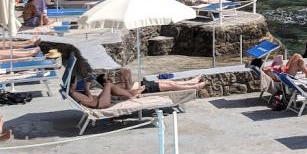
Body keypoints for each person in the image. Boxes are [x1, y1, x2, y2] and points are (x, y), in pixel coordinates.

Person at [69, 67, 206, 109]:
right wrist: (87, 88)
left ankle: (191, 82)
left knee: (169, 83)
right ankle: (194, 85)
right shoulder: (74, 93)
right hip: (143, 89)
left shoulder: (112, 86)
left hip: (139, 86)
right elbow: (87, 100)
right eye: (75, 82)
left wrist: (125, 77)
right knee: (170, 85)